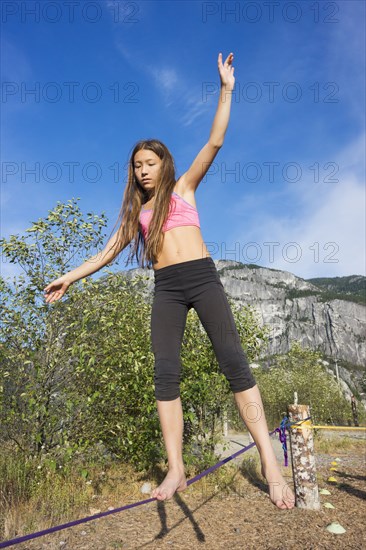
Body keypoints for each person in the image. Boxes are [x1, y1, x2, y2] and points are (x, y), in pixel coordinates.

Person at [44, 52, 295, 510]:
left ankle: (270, 463)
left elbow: (215, 141)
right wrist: (69, 278)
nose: (142, 169)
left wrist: (226, 89)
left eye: (149, 162)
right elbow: (104, 254)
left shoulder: (184, 190)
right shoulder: (136, 216)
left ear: (164, 165)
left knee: (235, 365)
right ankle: (176, 467)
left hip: (202, 279)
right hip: (167, 289)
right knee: (165, 375)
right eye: (136, 164)